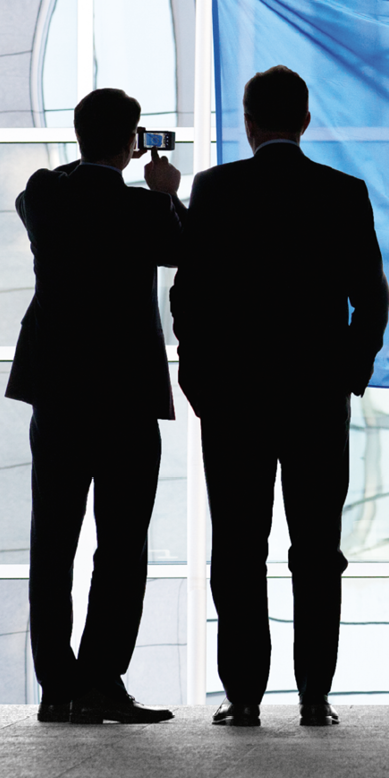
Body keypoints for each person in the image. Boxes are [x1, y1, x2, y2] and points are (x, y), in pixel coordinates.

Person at [171, 65, 389, 727]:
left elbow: (188, 298)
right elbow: (371, 300)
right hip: (316, 400)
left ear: (249, 121)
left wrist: (199, 381)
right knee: (317, 551)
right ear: (303, 121)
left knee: (239, 547)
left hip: (233, 402)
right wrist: (346, 374)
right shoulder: (343, 192)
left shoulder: (214, 189)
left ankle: (242, 697)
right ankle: (315, 696)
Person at [6, 88, 185, 724]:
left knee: (52, 540)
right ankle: (101, 681)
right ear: (133, 141)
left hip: (55, 391)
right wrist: (165, 190)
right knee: (120, 542)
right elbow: (185, 250)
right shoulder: (143, 209)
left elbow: (38, 191)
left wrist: (102, 160)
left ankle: (56, 686)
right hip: (125, 397)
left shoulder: (46, 195)